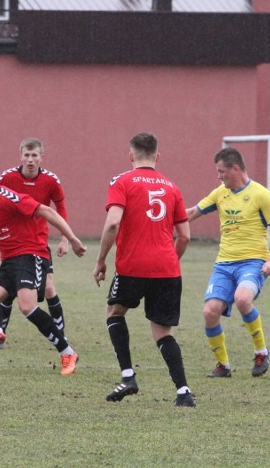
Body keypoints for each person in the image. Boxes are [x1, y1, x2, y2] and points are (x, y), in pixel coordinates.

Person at [0, 160, 87, 375]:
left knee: (27, 307)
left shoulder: (10, 198)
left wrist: (71, 238)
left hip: (31, 255)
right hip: (9, 261)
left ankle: (67, 352)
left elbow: (46, 211)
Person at [93, 132, 195, 407]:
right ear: (157, 156)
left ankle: (128, 376)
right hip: (167, 268)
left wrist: (101, 259)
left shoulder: (122, 181)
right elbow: (184, 236)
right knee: (162, 331)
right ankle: (184, 391)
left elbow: (113, 223)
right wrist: (170, 261)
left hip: (132, 266)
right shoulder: (172, 186)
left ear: (131, 155)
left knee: (115, 312)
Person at [186, 146, 270, 378]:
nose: (219, 177)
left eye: (222, 172)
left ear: (236, 168)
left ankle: (261, 352)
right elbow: (191, 213)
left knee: (243, 299)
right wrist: (162, 217)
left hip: (253, 263)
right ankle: (223, 365)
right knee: (210, 312)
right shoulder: (220, 193)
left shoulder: (261, 194)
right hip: (224, 265)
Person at [0, 138, 69, 343]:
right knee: (9, 288)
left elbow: (60, 208)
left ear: (41, 157)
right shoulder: (8, 177)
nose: (30, 160)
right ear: (20, 156)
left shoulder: (51, 180)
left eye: (34, 155)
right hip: (13, 242)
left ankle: (60, 332)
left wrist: (64, 238)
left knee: (48, 288)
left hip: (37, 243)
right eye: (26, 155)